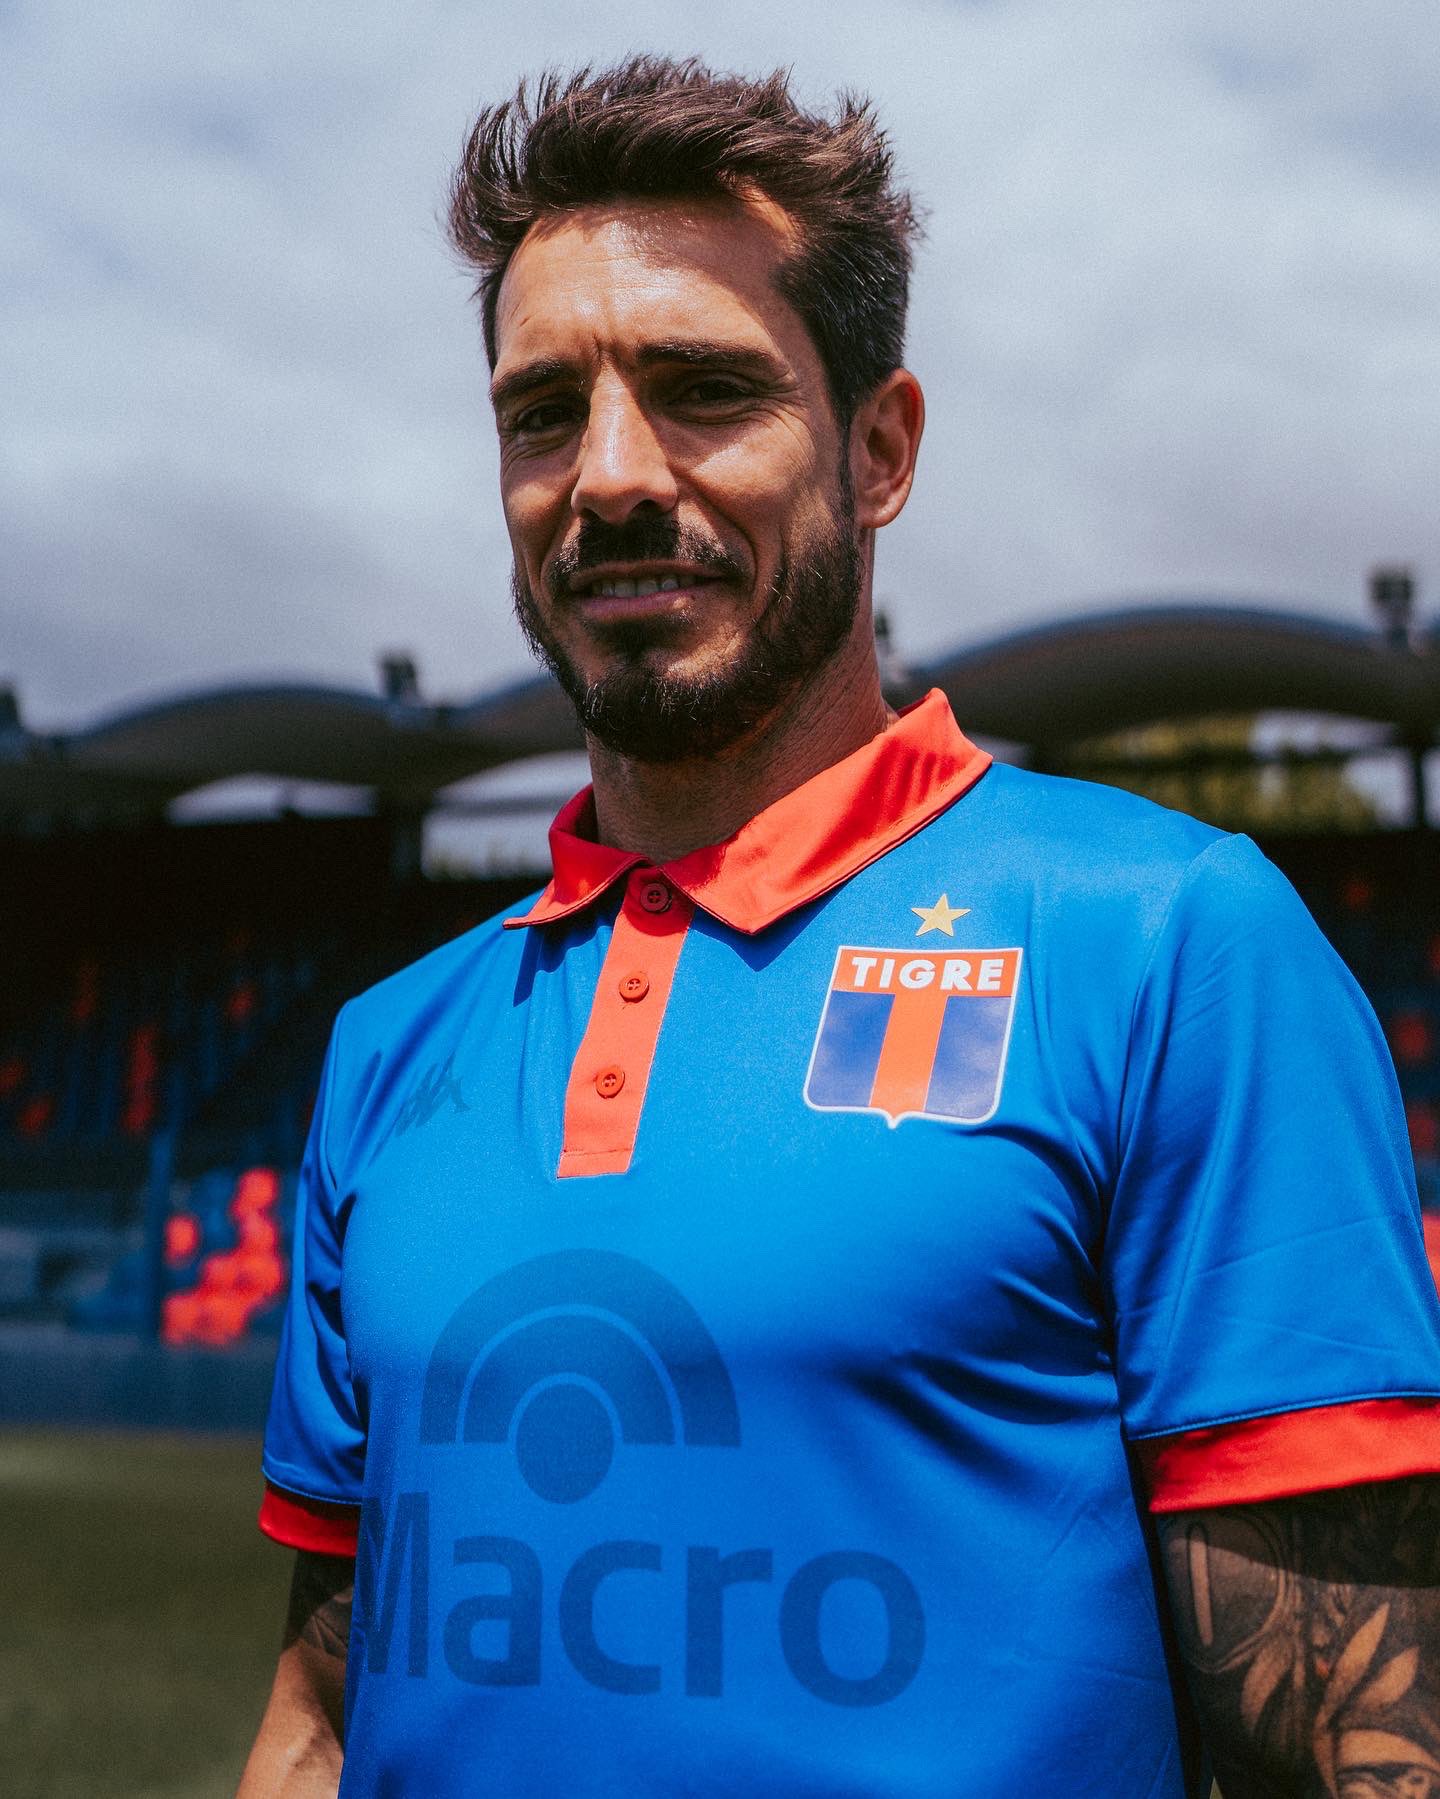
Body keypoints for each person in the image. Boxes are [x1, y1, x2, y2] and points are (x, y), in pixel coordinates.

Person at [238, 58, 1440, 1798]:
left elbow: (1357, 1754)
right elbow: (321, 1718)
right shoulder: (390, 1044)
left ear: (881, 450)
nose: (610, 476)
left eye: (705, 389)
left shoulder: (1170, 946)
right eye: (543, 413)